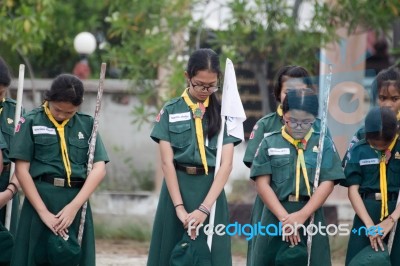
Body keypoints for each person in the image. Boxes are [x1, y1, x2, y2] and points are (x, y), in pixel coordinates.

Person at [147, 48, 241, 266]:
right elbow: (166, 162)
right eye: (199, 84)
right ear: (187, 77)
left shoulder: (225, 113)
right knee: (168, 253)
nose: (205, 90)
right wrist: (179, 208)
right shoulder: (171, 110)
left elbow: (226, 165)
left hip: (210, 191)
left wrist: (204, 209)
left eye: (211, 85)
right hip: (175, 191)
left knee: (212, 255)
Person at [9, 74, 109, 266]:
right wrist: (43, 212)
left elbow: (99, 169)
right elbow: (22, 170)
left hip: (75, 203)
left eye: (69, 112)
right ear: (49, 99)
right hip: (40, 201)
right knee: (35, 257)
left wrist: (74, 207)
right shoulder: (31, 121)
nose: (62, 115)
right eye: (58, 110)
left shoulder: (88, 125)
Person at [243, 65, 328, 265]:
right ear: (278, 93)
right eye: (288, 91)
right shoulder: (266, 126)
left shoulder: (319, 130)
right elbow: (256, 171)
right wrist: (284, 217)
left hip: (309, 208)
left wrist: (301, 214)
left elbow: (328, 176)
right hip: (271, 207)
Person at [249, 89, 344, 265]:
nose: (299, 127)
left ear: (314, 119)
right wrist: (285, 219)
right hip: (275, 215)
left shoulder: (323, 143)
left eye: (306, 122)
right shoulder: (269, 142)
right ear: (284, 115)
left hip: (311, 214)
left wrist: (302, 215)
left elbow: (328, 182)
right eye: (293, 121)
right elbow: (262, 185)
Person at [341, 107, 400, 265]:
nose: (380, 149)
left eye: (384, 144)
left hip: (397, 212)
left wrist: (391, 220)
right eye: (375, 145)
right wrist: (369, 226)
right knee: (359, 260)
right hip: (365, 213)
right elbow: (352, 190)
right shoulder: (359, 150)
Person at [343, 67, 400, 167]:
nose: (388, 104)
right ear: (374, 98)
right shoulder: (363, 133)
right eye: (382, 98)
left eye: (395, 99)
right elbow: (348, 169)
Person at [0, 57, 23, 236]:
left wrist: (9, 192)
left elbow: (23, 156)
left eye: (1, 93)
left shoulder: (15, 111)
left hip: (9, 180)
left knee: (10, 243)